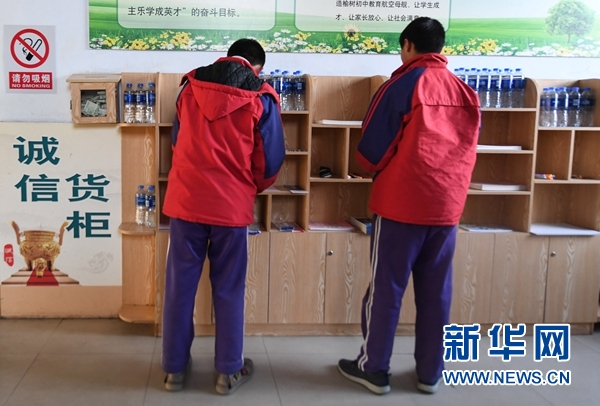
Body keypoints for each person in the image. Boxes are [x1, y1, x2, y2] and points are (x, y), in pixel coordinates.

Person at [337, 17, 481, 395]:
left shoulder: (401, 84)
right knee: (436, 293)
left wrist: (370, 168)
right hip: (446, 208)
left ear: (407, 45)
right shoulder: (465, 91)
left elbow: (372, 149)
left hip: (401, 206)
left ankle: (374, 369)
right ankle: (430, 374)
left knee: (386, 289)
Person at [161, 38, 285, 394]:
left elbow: (176, 142)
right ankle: (227, 372)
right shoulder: (261, 96)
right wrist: (247, 187)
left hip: (186, 203)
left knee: (179, 287)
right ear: (257, 67)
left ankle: (173, 371)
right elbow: (269, 161)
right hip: (230, 207)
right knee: (229, 288)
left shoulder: (190, 87)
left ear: (229, 57)